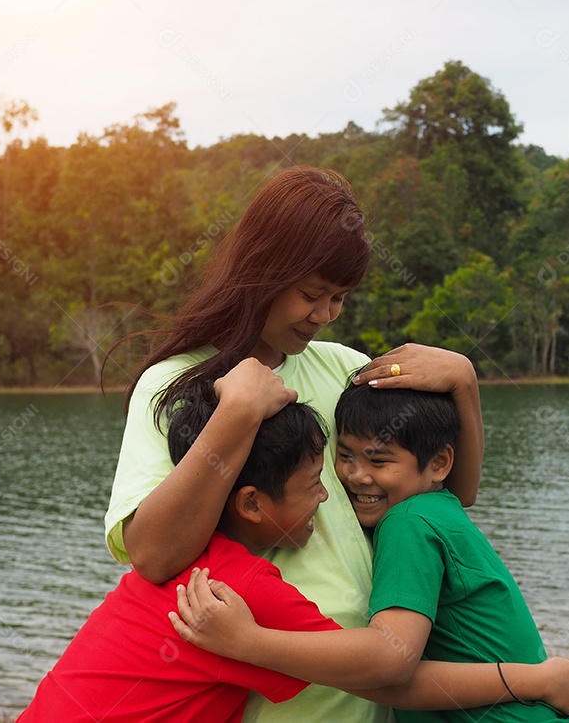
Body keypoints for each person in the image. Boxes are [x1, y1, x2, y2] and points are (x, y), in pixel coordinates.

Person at [104, 164, 496, 722]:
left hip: (370, 686)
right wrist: (236, 414)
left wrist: (464, 384)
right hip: (269, 699)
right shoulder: (174, 384)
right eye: (311, 294)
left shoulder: (347, 370)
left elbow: (451, 490)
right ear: (261, 271)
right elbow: (153, 554)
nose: (325, 314)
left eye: (339, 297)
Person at [26, 379, 569, 721]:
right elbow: (386, 667)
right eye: (317, 482)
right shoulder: (236, 593)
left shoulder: (179, 562)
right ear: (250, 503)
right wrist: (535, 679)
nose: (330, 495)